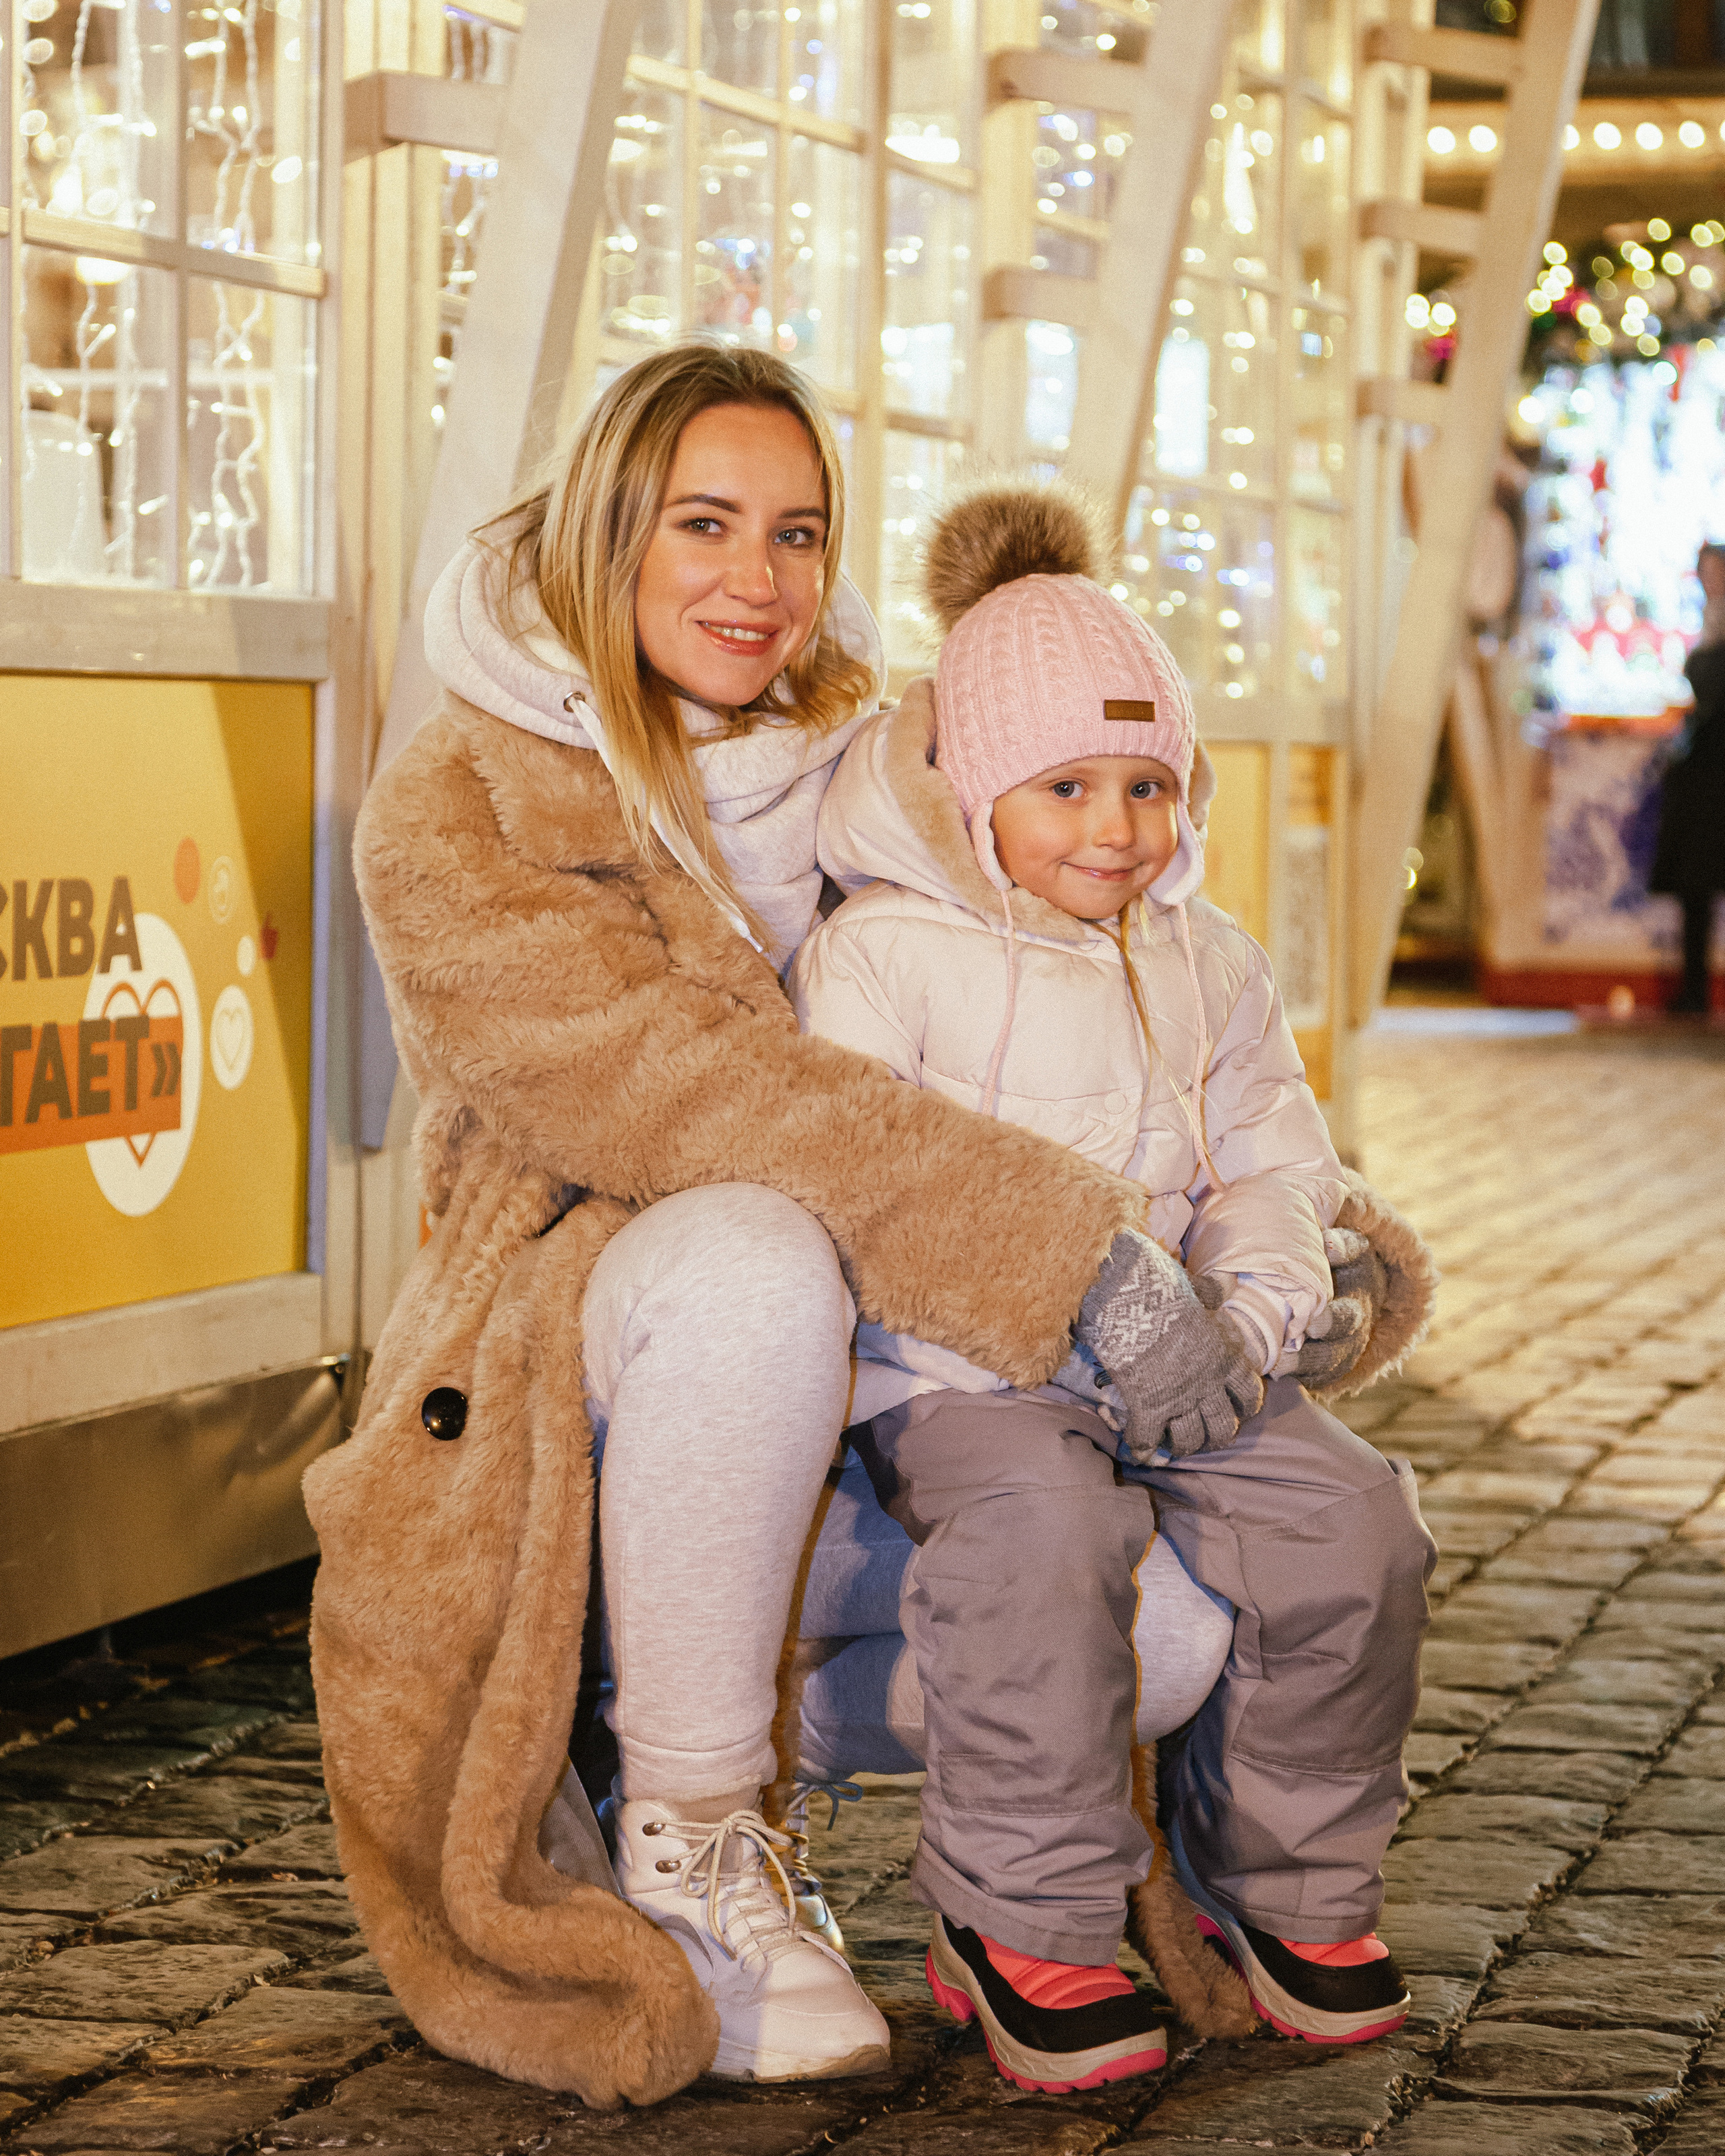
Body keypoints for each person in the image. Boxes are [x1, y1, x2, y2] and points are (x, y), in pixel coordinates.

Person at [309, 343, 1414, 2109]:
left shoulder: (894, 753)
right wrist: (1072, 1256)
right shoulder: (470, 797)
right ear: (607, 530)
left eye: (799, 531)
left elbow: (1118, 1010)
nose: (758, 579)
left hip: (902, 1377)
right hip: (586, 1369)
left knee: (1178, 1626)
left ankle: (987, 1856)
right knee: (757, 1238)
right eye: (706, 524)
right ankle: (687, 1819)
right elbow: (686, 1094)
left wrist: (1287, 1241)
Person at [788, 482, 1437, 2079]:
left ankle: (1276, 1884)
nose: (1113, 827)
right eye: (1065, 784)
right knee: (1044, 1540)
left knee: (1354, 1524)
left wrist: (1253, 1312)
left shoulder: (1203, 954)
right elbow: (862, 1183)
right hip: (964, 1381)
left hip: (1186, 1370)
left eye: (1147, 784)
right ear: (971, 788)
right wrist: (1068, 1292)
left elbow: (1274, 1160)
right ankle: (1023, 1919)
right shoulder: (881, 951)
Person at [1651, 541, 1725, 1013]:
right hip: (1706, 777)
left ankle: (1696, 990)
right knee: (1696, 884)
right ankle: (1694, 989)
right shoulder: (1710, 621)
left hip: (1716, 776)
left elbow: (1710, 685)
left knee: (1700, 878)